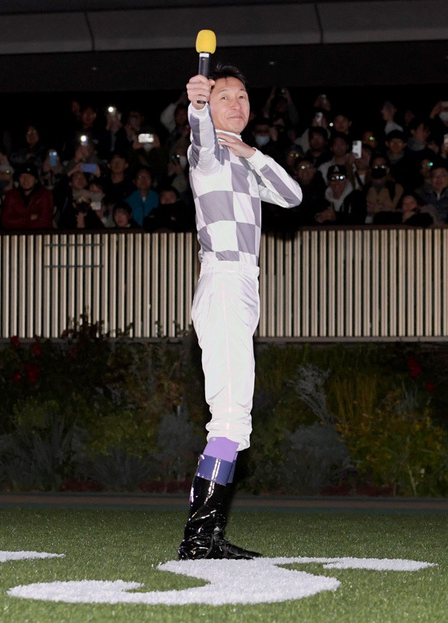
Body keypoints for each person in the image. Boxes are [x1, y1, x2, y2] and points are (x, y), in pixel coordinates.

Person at [181, 65, 301, 560]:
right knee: (229, 419)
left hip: (243, 288)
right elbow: (200, 137)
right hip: (226, 281)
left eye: (243, 97)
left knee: (235, 421)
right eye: (225, 96)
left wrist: (253, 153)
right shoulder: (207, 156)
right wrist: (197, 105)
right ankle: (198, 539)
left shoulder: (248, 164)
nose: (237, 103)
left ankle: (207, 537)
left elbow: (292, 196)